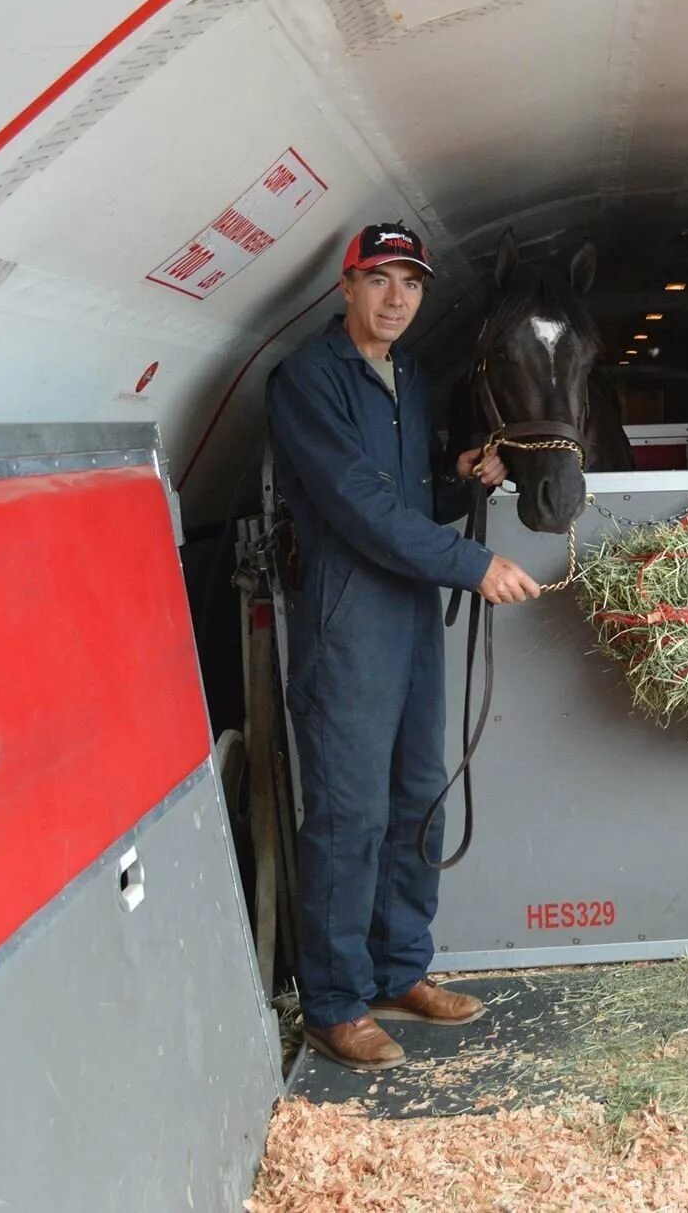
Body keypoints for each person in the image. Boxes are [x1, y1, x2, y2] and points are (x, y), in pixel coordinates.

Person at [267, 223, 543, 1068]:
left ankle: (399, 970)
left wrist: (460, 474)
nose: (397, 299)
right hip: (348, 625)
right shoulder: (306, 379)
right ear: (346, 286)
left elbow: (408, 485)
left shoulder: (408, 375)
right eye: (380, 280)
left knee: (421, 795)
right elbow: (360, 506)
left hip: (414, 616)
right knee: (350, 814)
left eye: (412, 285)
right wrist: (472, 562)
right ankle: (335, 1002)